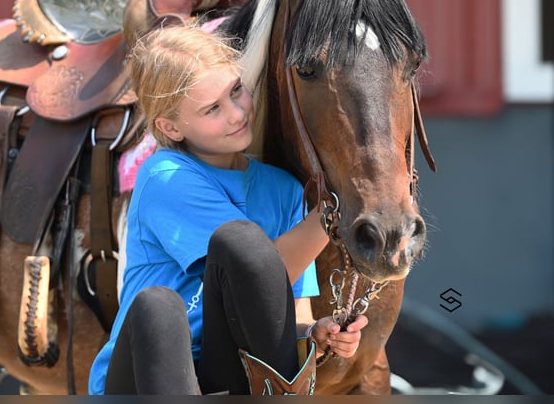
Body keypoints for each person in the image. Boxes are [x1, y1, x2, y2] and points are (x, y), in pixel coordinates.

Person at [87, 24, 368, 395]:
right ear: (170, 128)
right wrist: (339, 204)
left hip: (229, 370)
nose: (236, 114)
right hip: (146, 375)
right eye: (212, 109)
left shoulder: (284, 190)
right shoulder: (165, 177)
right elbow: (253, 271)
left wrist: (316, 334)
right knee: (159, 306)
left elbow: (286, 316)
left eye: (236, 90)